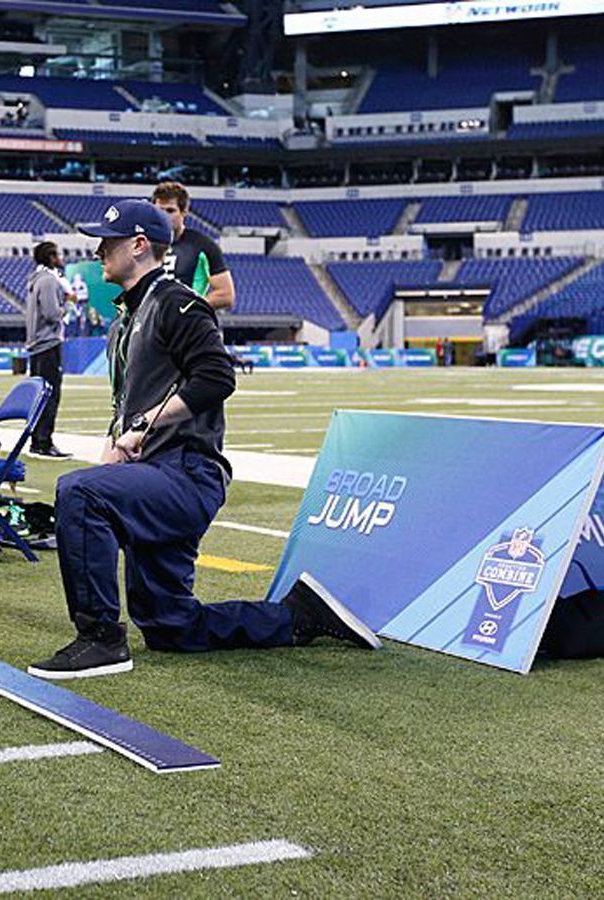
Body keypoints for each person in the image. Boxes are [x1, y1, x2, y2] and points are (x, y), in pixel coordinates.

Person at [27, 200, 378, 679]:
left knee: (80, 492)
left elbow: (216, 377)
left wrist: (144, 425)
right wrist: (117, 442)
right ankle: (297, 616)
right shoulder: (124, 321)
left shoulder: (176, 303)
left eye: (109, 241)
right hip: (152, 475)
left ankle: (100, 639)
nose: (99, 250)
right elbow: (130, 400)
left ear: (139, 245)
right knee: (171, 626)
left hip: (187, 474)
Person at [151, 182, 235, 312]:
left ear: (184, 212)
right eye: (159, 211)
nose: (164, 217)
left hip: (184, 328)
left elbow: (226, 295)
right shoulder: (144, 244)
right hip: (150, 326)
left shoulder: (203, 245)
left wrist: (187, 308)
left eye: (170, 211)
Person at [24, 241, 71, 459]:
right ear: (51, 257)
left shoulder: (35, 279)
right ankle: (44, 441)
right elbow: (52, 314)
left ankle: (37, 440)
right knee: (50, 395)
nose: (61, 258)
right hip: (48, 343)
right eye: (58, 254)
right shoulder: (49, 280)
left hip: (36, 345)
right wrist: (67, 305)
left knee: (40, 395)